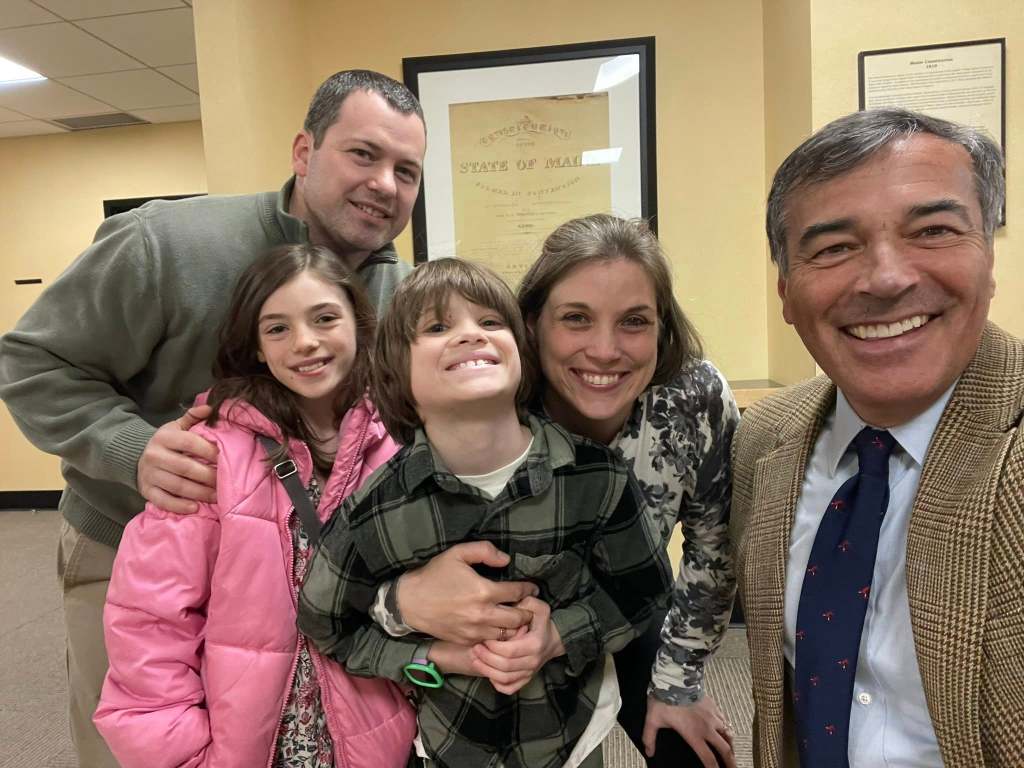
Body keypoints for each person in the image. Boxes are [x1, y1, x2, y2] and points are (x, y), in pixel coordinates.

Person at [0, 69, 426, 767]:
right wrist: (130, 449)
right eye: (363, 154)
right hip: (136, 551)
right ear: (304, 152)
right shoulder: (168, 244)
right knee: (137, 741)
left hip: (296, 572)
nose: (385, 183)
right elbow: (30, 361)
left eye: (406, 171)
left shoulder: (398, 292)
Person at [366, 216, 740, 768]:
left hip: (625, 601)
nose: (605, 350)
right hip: (503, 627)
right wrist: (406, 602)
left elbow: (714, 547)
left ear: (663, 328)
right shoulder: (490, 397)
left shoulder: (692, 398)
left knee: (694, 755)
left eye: (634, 321)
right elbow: (368, 557)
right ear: (532, 324)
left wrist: (677, 684)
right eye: (576, 319)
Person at [730, 107, 1023, 767]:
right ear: (786, 290)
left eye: (933, 231)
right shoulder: (764, 439)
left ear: (988, 258)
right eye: (834, 247)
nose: (887, 278)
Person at [297, 258, 674, 768]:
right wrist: (430, 656)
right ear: (396, 373)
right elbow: (325, 622)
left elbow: (645, 590)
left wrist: (559, 636)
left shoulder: (597, 477)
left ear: (522, 354)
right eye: (437, 327)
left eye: (491, 321)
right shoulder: (377, 508)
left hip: (573, 735)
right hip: (449, 741)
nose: (471, 334)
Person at [93, 244, 416, 768]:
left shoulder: (400, 441)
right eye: (278, 328)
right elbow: (150, 622)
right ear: (258, 348)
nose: (305, 342)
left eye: (325, 318)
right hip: (252, 741)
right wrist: (182, 755)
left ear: (358, 324)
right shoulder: (211, 452)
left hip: (374, 735)